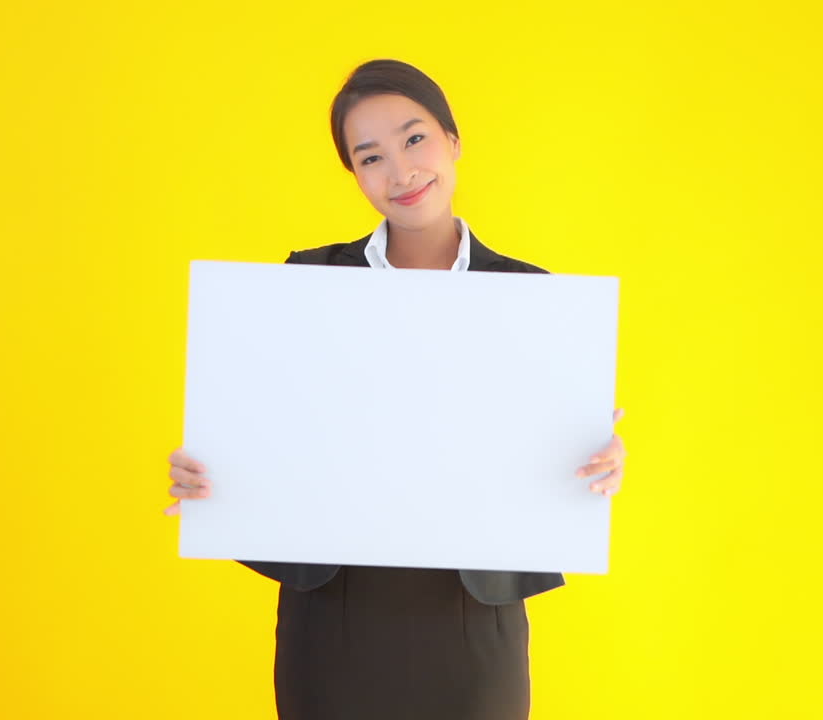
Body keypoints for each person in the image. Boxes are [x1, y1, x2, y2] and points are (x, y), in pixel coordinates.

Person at [162, 59, 627, 720]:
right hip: (334, 612)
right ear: (353, 174)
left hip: (472, 612)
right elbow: (266, 428)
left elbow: (548, 450)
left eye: (415, 140)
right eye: (370, 156)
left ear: (453, 140)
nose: (401, 172)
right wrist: (211, 468)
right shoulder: (305, 283)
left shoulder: (533, 301)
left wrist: (600, 459)